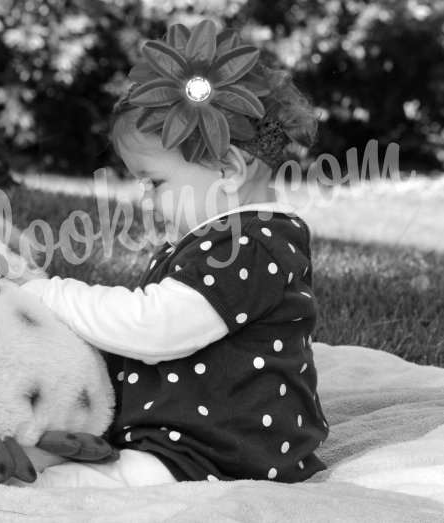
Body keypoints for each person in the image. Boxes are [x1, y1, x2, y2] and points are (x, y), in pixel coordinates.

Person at [18, 18, 329, 487]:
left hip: (226, 450)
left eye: (154, 182)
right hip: (189, 438)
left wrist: (50, 294)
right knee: (72, 457)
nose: (144, 199)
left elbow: (153, 326)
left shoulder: (252, 242)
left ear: (228, 169)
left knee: (81, 487)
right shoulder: (228, 238)